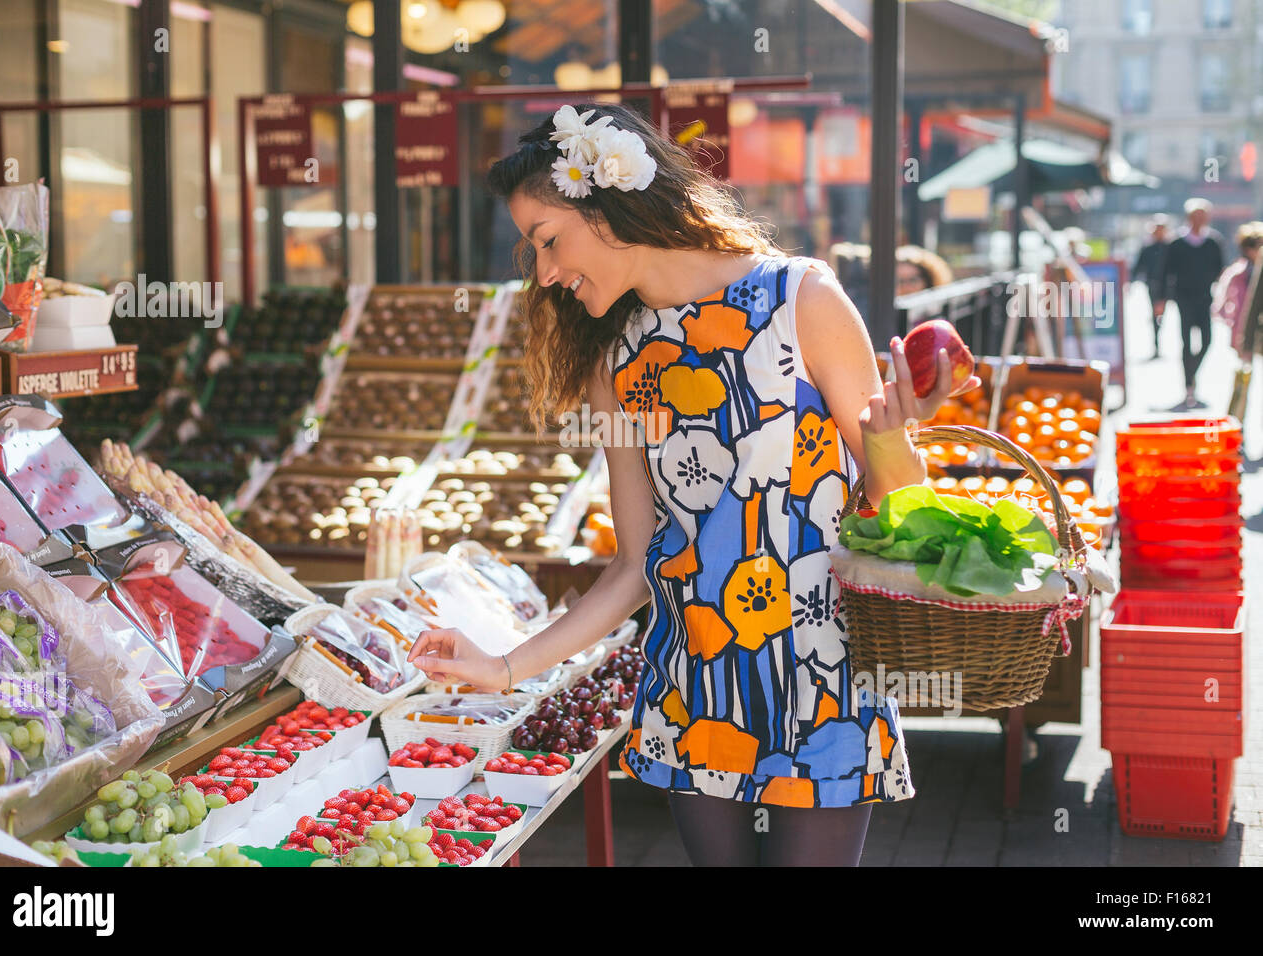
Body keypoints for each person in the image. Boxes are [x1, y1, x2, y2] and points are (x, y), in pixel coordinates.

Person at [406, 103, 978, 867]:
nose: (543, 273)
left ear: (606, 204)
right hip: (694, 687)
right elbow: (634, 566)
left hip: (826, 679)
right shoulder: (617, 368)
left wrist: (889, 438)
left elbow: (904, 511)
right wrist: (504, 667)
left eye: (548, 241)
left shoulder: (802, 298)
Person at [1158, 198, 1226, 408]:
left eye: (1203, 216)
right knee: (1186, 343)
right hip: (1183, 298)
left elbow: (1220, 271)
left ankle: (1192, 372)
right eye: (1195, 216)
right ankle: (1188, 387)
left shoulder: (1213, 241)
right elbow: (1165, 271)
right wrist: (1161, 299)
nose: (1199, 220)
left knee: (1207, 341)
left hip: (1205, 298)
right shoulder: (1177, 243)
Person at [1212, 221, 1263, 360]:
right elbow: (1250, 305)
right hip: (1245, 324)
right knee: (1246, 364)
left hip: (1253, 326)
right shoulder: (1238, 272)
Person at [1130, 214, 1171, 357]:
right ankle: (1156, 345)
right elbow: (1138, 267)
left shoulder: (1170, 247)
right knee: (1155, 315)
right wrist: (1130, 282)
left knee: (1163, 315)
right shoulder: (1147, 248)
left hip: (1169, 286)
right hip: (1153, 285)